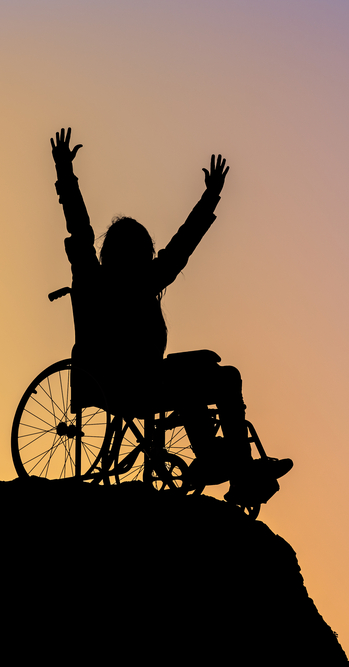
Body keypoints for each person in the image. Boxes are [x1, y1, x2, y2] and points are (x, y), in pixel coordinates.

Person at [50, 127, 292, 502]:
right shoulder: (95, 280)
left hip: (149, 378)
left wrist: (210, 197)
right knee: (189, 378)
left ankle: (239, 471)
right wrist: (65, 175)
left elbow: (180, 248)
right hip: (117, 383)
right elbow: (81, 231)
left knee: (225, 376)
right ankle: (218, 460)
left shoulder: (145, 281)